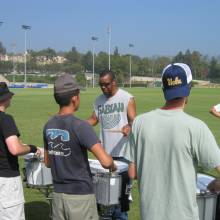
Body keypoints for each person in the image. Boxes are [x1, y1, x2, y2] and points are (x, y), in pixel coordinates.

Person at [124, 63, 220, 220]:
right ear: (189, 89)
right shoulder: (197, 127)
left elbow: (132, 173)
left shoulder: (139, 123)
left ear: (163, 90)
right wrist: (216, 184)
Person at [43, 74, 116, 220]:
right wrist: (113, 165)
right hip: (80, 197)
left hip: (58, 196)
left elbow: (48, 162)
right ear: (74, 98)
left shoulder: (48, 125)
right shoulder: (81, 126)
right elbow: (106, 162)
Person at [87, 69, 136, 220]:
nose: (103, 88)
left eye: (106, 84)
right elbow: (93, 120)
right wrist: (76, 125)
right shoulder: (99, 100)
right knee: (104, 198)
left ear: (114, 82)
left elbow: (134, 120)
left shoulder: (126, 98)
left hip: (123, 155)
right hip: (105, 155)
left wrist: (129, 127)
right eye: (101, 85)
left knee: (120, 200)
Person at [0, 82, 41, 220]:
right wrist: (32, 148)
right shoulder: (6, 119)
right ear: (5, 99)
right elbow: (15, 149)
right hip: (6, 179)